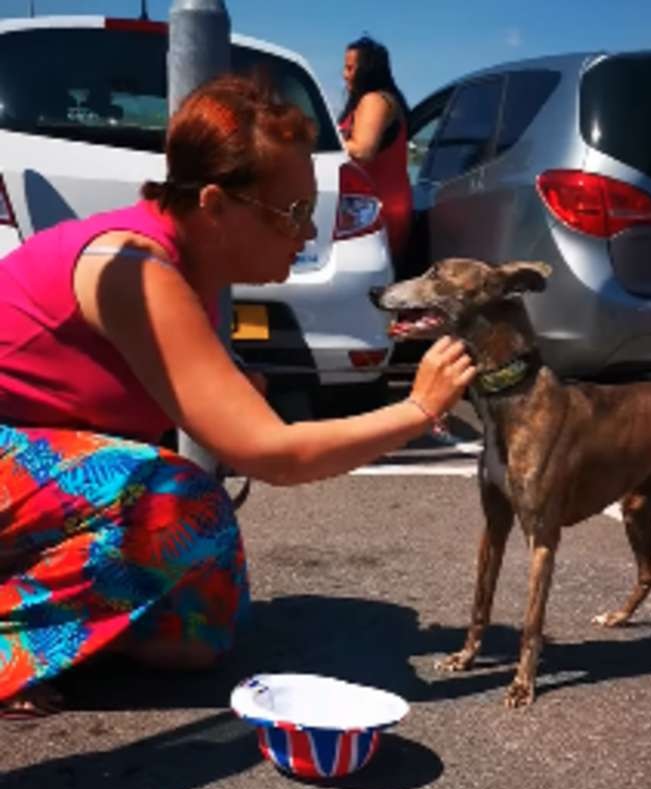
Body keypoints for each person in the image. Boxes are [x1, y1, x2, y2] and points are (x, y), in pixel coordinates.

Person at [0, 74, 475, 720]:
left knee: (203, 628)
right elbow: (272, 455)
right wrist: (416, 410)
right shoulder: (136, 272)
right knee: (180, 503)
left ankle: (58, 637)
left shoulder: (182, 268)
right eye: (293, 214)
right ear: (217, 206)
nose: (306, 235)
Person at [338, 36, 412, 267]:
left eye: (350, 68)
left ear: (367, 70)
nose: (344, 74)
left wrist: (318, 141)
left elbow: (362, 150)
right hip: (375, 208)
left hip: (380, 210)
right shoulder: (374, 101)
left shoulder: (375, 100)